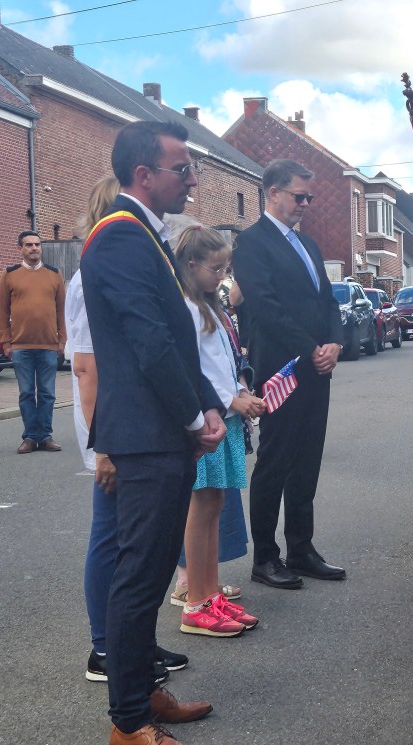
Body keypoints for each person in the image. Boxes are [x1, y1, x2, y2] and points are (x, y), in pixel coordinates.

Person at [80, 120, 227, 745]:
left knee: (151, 566)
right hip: (144, 435)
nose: (192, 178)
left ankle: (145, 691)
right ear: (144, 175)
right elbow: (149, 342)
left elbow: (178, 338)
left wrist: (209, 407)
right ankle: (129, 723)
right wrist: (196, 420)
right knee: (139, 576)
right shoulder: (118, 239)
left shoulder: (147, 237)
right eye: (181, 168)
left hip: (161, 429)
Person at [65, 174, 188, 686]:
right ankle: (105, 647)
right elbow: (88, 369)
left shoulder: (121, 265)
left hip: (124, 426)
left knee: (135, 544)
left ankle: (133, 645)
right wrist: (104, 450)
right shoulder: (94, 276)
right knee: (113, 538)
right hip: (112, 430)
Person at [233, 159, 345, 590]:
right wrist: (310, 349)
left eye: (308, 198)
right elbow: (265, 306)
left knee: (307, 459)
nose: (304, 204)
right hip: (282, 368)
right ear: (272, 192)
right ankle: (265, 557)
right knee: (275, 461)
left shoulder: (308, 245)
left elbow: (328, 302)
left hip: (317, 367)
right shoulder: (252, 243)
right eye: (299, 196)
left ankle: (302, 547)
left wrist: (335, 342)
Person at [174, 226, 264, 636]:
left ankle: (210, 595)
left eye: (225, 268)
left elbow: (225, 361)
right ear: (191, 265)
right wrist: (231, 399)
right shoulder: (188, 310)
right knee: (202, 508)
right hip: (207, 419)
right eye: (215, 269)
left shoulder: (213, 308)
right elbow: (195, 368)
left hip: (224, 418)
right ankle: (195, 600)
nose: (221, 277)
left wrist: (241, 389)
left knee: (215, 507)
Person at [0, 231, 66, 454]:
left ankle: (45, 436)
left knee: (47, 393)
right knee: (26, 392)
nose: (34, 248)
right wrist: (6, 342)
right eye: (29, 245)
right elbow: (2, 312)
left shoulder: (54, 275)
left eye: (37, 244)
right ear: (21, 248)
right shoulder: (10, 275)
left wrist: (62, 340)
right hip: (20, 346)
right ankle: (30, 437)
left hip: (48, 345)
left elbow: (61, 312)